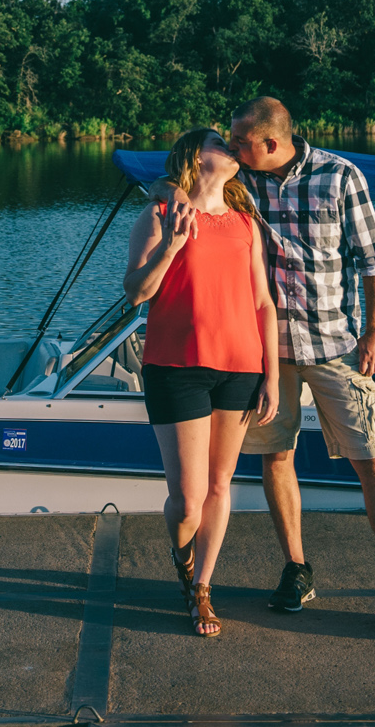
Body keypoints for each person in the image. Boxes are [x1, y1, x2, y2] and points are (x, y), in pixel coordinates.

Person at [152, 97, 375, 641]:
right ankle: (297, 568)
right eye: (227, 144)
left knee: (373, 462)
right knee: (277, 457)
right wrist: (164, 190)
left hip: (334, 346)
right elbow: (178, 180)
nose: (231, 150)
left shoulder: (340, 176)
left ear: (271, 144)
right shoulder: (244, 183)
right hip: (269, 353)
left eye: (240, 143)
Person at [124, 126, 279, 638]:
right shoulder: (159, 213)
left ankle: (203, 589)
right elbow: (136, 294)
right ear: (196, 156)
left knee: (219, 485)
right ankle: (182, 555)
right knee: (188, 499)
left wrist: (271, 375)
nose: (232, 150)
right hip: (176, 366)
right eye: (220, 142)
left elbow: (262, 302)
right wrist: (171, 244)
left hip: (240, 366)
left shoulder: (245, 221)